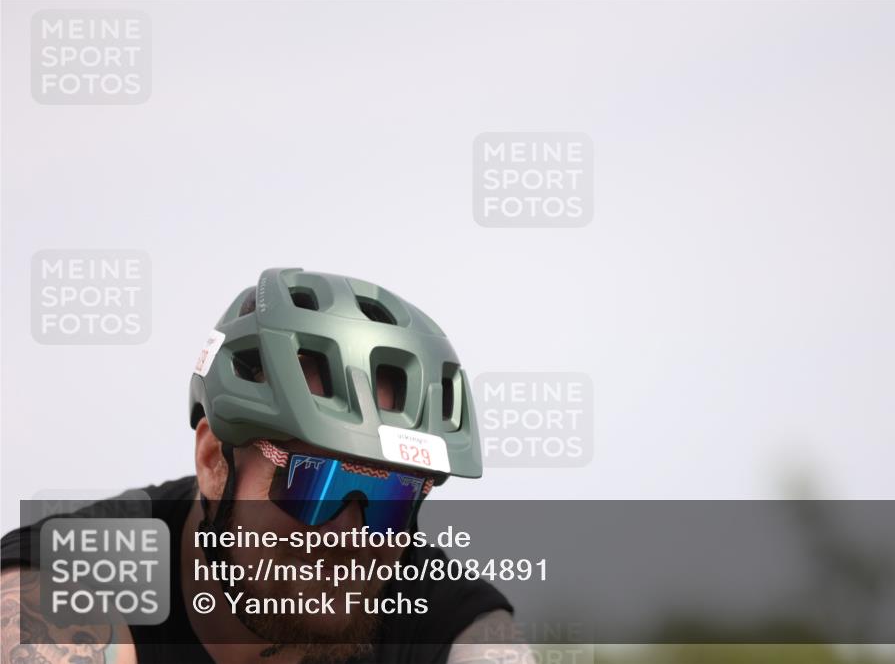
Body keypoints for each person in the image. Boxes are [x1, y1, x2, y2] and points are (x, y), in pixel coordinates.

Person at [2, 268, 529, 664]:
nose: (352, 535)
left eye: (393, 497)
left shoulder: (450, 618)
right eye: (315, 483)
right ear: (214, 462)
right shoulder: (61, 589)